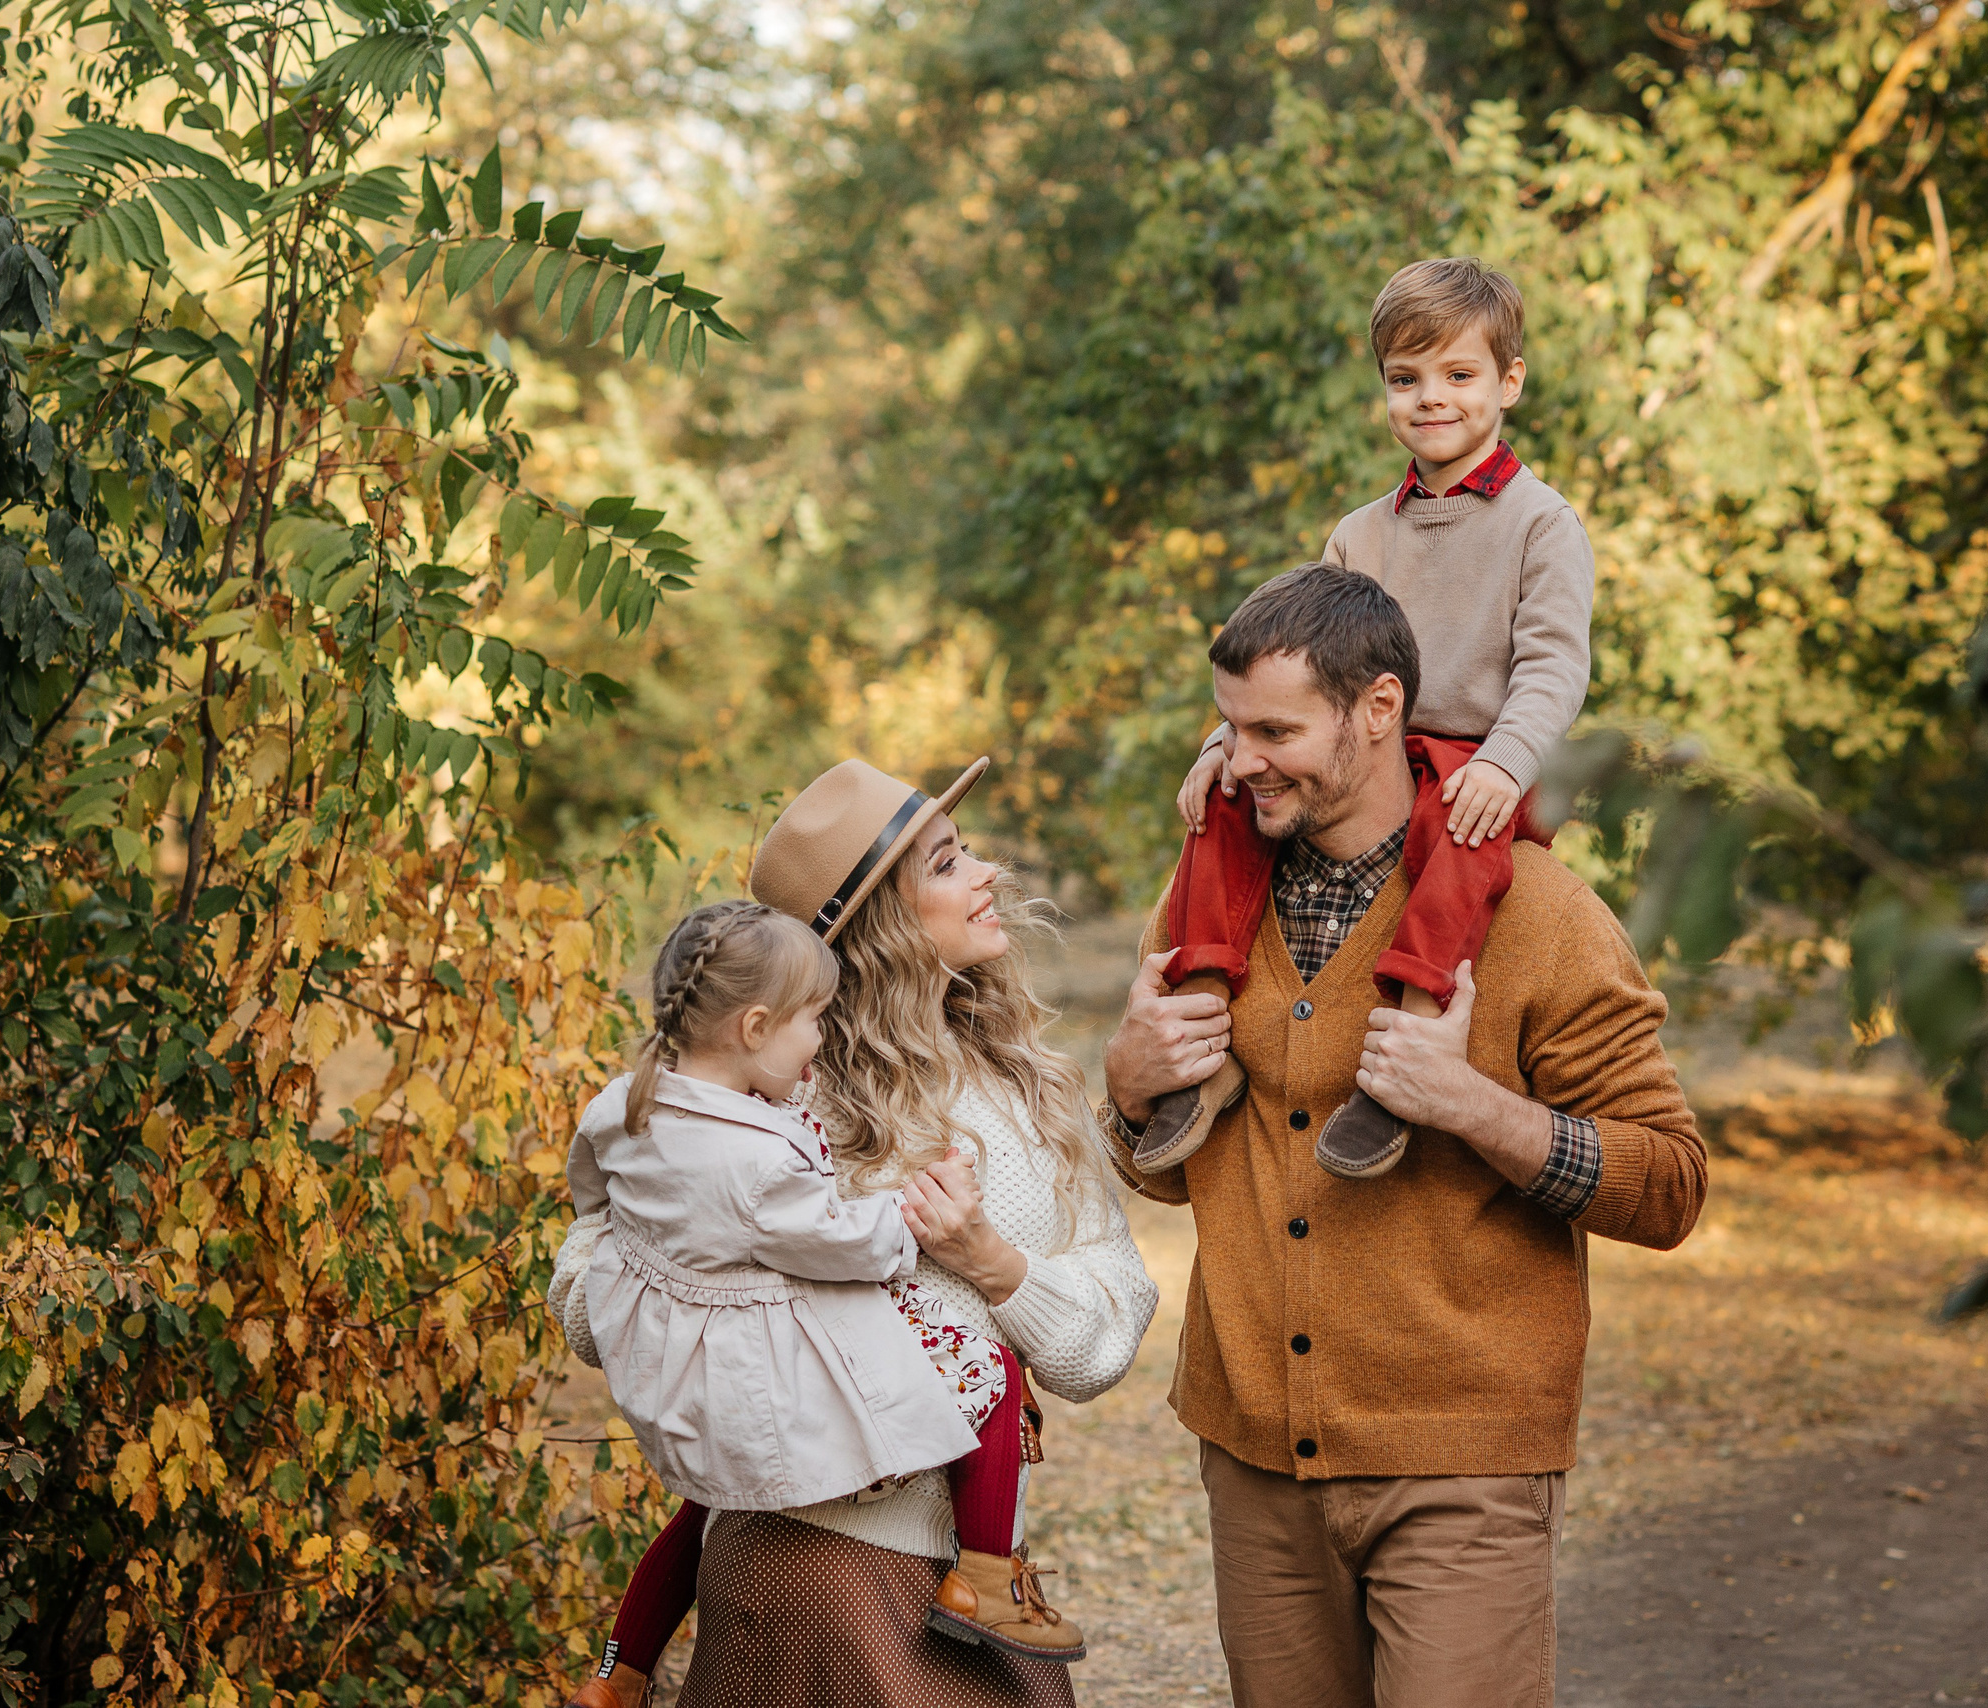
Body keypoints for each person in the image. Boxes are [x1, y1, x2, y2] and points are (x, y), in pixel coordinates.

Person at [1101, 567, 1705, 1708]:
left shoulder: (1540, 912)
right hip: (1255, 1461)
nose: (1240, 762)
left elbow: (1669, 1185)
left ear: (1378, 709)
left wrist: (1475, 1106)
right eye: (1230, 728)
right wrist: (1128, 1093)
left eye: (1274, 729)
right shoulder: (1200, 901)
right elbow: (1169, 1175)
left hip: (1461, 1465)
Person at [567, 755, 1156, 1708]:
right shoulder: (765, 1089)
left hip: (970, 1568)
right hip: (803, 1566)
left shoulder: (1030, 1087)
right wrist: (714, 1292)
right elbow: (594, 1273)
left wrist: (994, 1267)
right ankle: (613, 1670)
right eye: (946, 864)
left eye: (967, 854)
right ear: (878, 925)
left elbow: (1108, 1329)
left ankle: (616, 1668)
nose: (987, 876)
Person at [1145, 255, 1596, 1183]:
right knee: (1222, 807)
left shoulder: (1541, 523)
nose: (1431, 398)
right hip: (1370, 744)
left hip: (1479, 757)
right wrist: (1224, 743)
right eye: (1405, 379)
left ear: (1509, 383)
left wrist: (1507, 762)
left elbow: (1555, 664)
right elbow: (1301, 660)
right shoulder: (1360, 532)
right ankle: (1202, 1041)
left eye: (1458, 375)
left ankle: (1405, 1061)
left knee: (1457, 846)